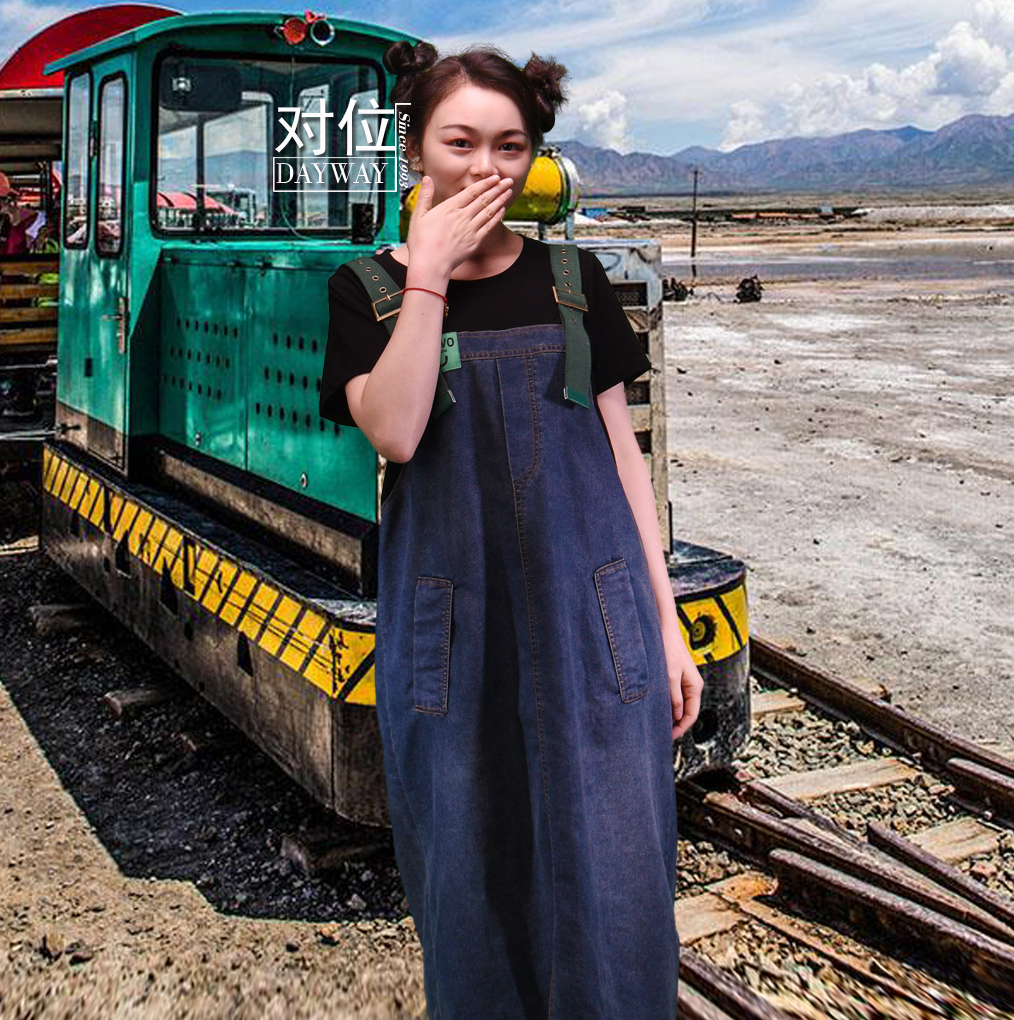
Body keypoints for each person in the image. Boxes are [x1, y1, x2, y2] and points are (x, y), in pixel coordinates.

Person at [320, 41, 704, 1020]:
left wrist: (665, 626)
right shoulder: (364, 292)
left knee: (617, 876)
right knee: (470, 875)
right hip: (455, 638)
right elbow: (396, 430)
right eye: (460, 143)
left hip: (596, 629)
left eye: (510, 146)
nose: (485, 168)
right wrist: (430, 275)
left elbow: (623, 462)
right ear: (415, 149)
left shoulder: (574, 280)